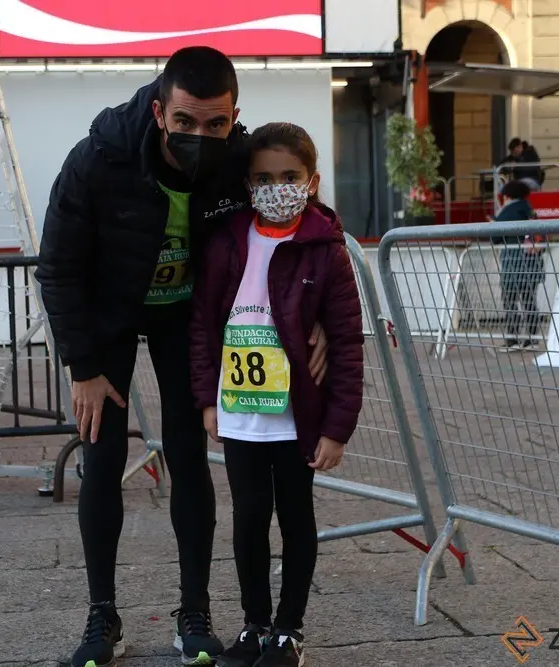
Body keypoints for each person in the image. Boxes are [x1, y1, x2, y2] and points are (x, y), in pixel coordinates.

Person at [35, 47, 329, 667]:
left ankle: (193, 612)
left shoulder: (235, 161)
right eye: (187, 122)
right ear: (159, 112)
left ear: (234, 117)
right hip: (109, 318)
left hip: (185, 320)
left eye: (217, 124)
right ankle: (101, 617)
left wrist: (322, 316)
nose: (202, 136)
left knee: (189, 455)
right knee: (102, 452)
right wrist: (81, 365)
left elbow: (304, 212)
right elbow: (58, 264)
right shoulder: (97, 159)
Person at [189, 122, 365, 667]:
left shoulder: (326, 251)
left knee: (295, 517)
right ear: (248, 183)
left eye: (289, 177)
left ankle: (289, 631)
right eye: (264, 178)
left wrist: (337, 427)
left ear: (311, 181)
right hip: (240, 412)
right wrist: (207, 400)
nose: (277, 187)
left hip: (296, 418)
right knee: (247, 520)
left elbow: (347, 342)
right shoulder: (228, 242)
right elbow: (201, 325)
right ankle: (253, 625)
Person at [491, 180, 544, 352]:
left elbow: (495, 237)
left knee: (510, 301)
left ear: (506, 195)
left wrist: (492, 224)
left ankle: (513, 339)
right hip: (532, 263)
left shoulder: (507, 211)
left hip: (513, 262)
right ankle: (532, 339)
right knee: (529, 301)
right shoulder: (530, 210)